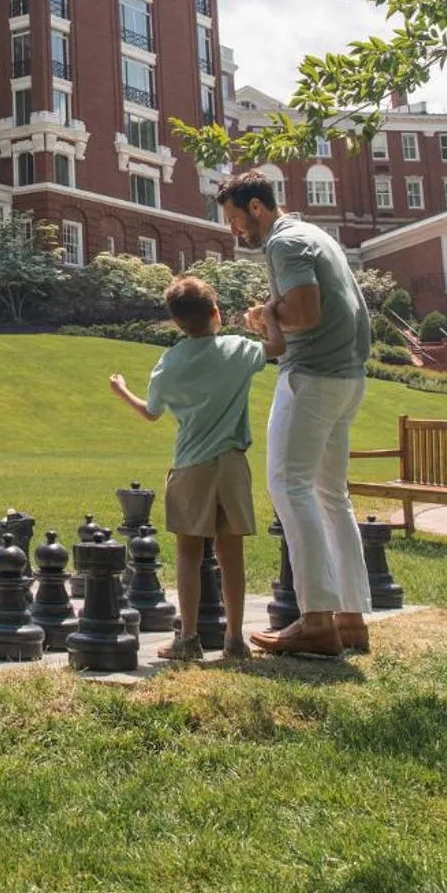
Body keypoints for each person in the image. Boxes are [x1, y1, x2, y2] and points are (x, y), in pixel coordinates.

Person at [217, 171, 372, 659]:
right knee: (331, 496)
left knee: (289, 486)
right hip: (348, 378)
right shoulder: (314, 234)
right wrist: (272, 310)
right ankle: (350, 618)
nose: (234, 230)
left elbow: (305, 313)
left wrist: (267, 315)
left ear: (256, 207)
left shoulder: (284, 243)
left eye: (235, 219)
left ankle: (317, 620)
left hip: (312, 377)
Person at [110, 275, 264, 663]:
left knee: (188, 554)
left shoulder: (170, 363)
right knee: (232, 555)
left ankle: (189, 638)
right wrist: (264, 320)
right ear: (216, 312)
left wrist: (121, 390)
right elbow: (277, 346)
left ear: (177, 322)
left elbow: (151, 412)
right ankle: (234, 639)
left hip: (191, 464)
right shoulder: (238, 349)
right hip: (232, 463)